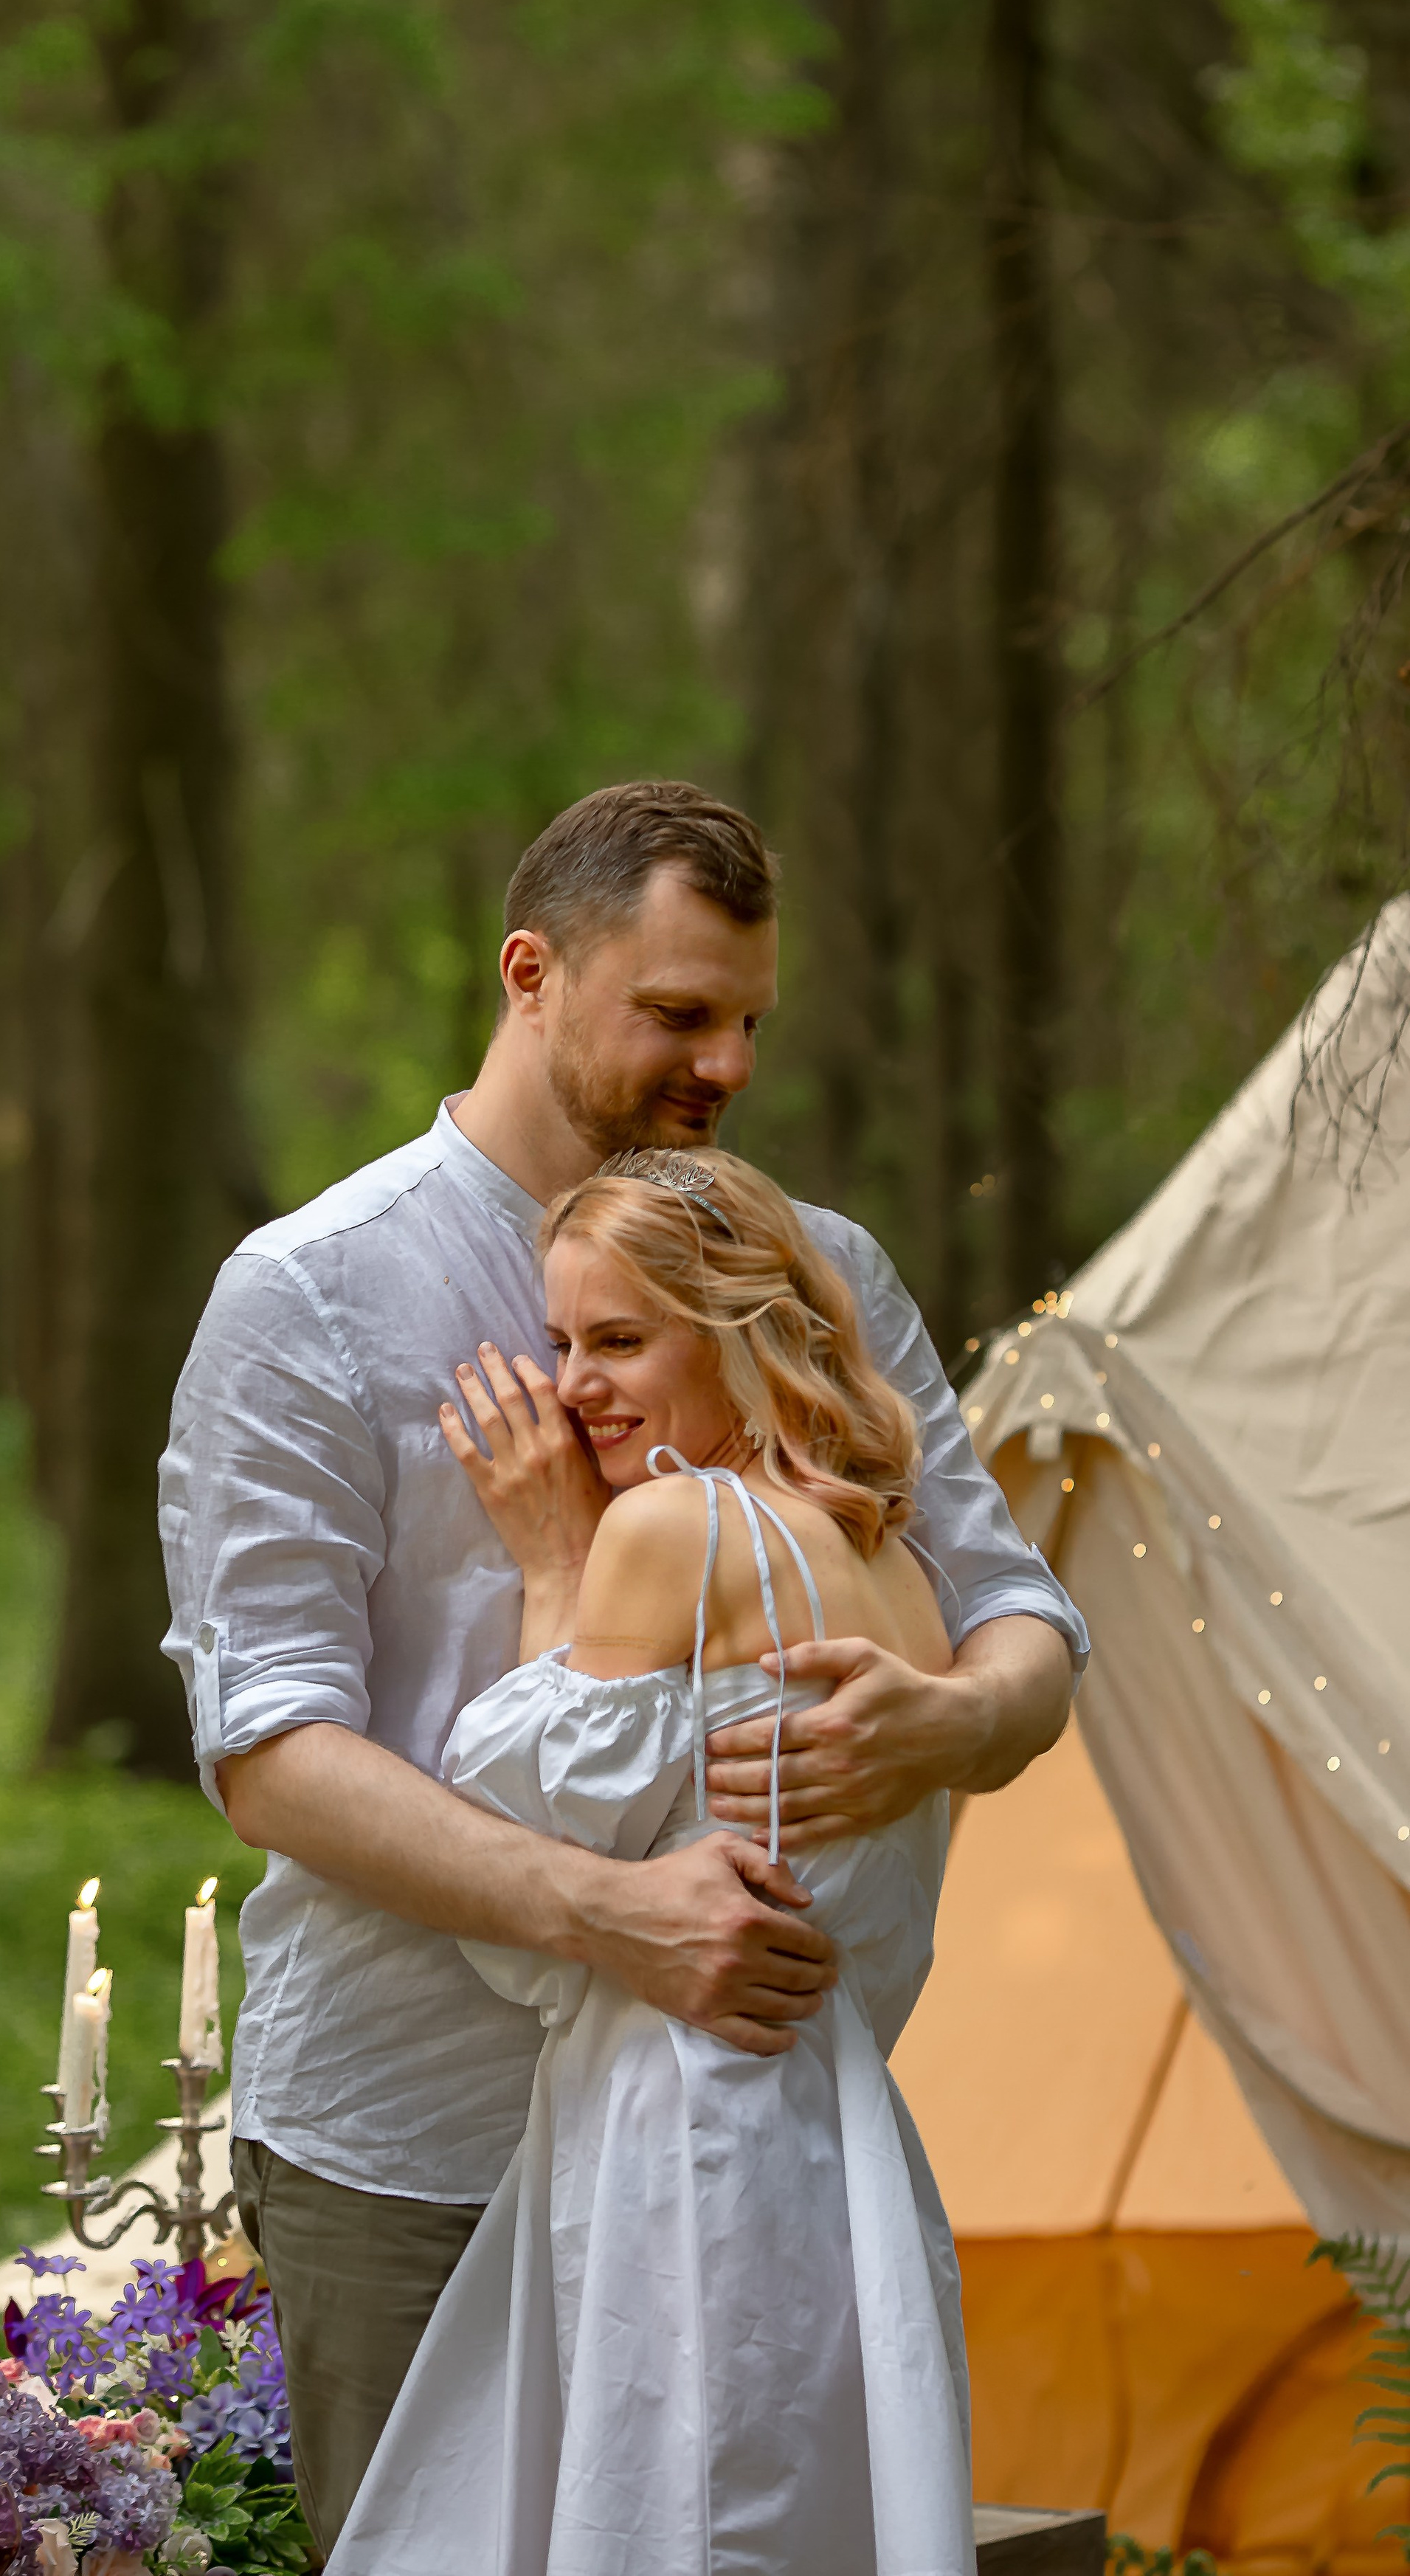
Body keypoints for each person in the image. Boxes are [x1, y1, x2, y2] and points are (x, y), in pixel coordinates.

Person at [160, 780, 1085, 2557]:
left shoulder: (816, 1275)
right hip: (420, 2138)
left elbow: (1023, 1618)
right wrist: (608, 1911)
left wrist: (952, 1722)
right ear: (531, 972)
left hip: (748, 2145)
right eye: (676, 1012)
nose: (725, 1059)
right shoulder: (308, 1295)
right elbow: (269, 1745)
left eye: (746, 1018)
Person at [328, 1148, 975, 2576]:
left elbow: (517, 1888)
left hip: (679, 2140)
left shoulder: (675, 1528)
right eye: (563, 1343)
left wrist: (558, 1570)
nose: (573, 1389)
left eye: (621, 1340)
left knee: (663, 2515)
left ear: (748, 1330)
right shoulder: (906, 1574)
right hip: (845, 2140)